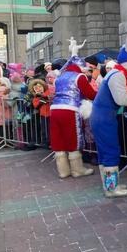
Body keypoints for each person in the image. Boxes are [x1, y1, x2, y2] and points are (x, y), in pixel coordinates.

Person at [90, 25, 127, 197]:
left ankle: (110, 185)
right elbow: (121, 99)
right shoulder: (118, 75)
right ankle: (112, 188)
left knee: (106, 151)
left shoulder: (117, 74)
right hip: (104, 117)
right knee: (110, 150)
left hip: (104, 116)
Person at [49, 39, 97, 178]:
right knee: (73, 138)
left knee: (58, 138)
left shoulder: (60, 78)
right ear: (80, 67)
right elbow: (90, 94)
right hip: (70, 109)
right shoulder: (79, 76)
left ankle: (63, 171)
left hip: (55, 109)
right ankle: (77, 169)